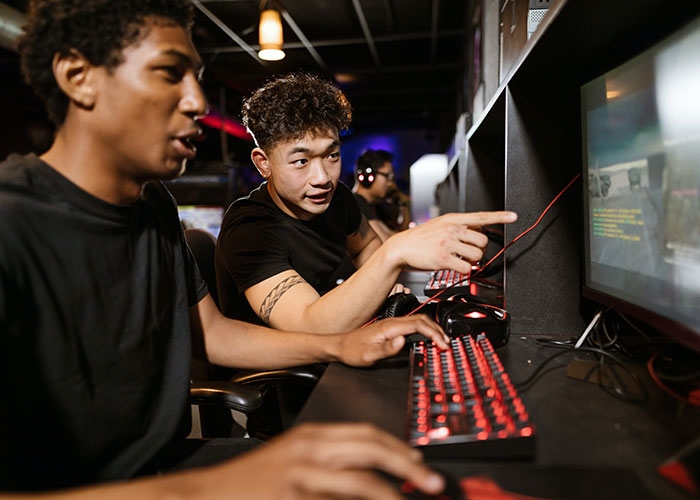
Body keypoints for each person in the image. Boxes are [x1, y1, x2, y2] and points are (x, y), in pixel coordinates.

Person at [0, 0, 459, 497]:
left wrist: (339, 344)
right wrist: (209, 488)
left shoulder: (152, 202)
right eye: (170, 73)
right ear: (78, 75)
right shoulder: (11, 222)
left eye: (194, 76)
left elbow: (212, 335)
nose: (198, 100)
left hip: (167, 465)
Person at [215, 72, 517, 334]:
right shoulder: (250, 230)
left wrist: (380, 283)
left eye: (332, 155)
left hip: (339, 350)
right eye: (301, 161)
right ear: (263, 163)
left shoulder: (338, 198)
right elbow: (310, 325)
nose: (322, 178)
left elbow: (366, 247)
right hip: (286, 383)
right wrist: (393, 254)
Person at [353, 148, 411, 242]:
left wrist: (402, 203)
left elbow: (399, 231)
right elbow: (386, 241)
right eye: (387, 176)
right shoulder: (356, 204)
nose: (390, 183)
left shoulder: (377, 208)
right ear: (368, 175)